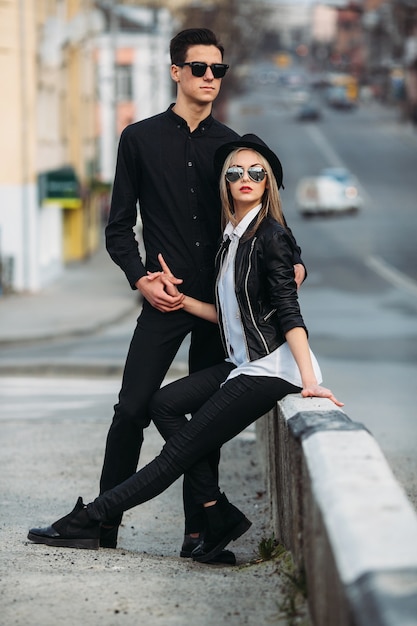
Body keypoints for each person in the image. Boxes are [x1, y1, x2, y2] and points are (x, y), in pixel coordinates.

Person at [28, 134, 342, 564]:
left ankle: (90, 519)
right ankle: (215, 509)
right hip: (242, 363)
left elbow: (290, 313)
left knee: (176, 452)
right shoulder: (231, 239)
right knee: (163, 403)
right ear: (225, 184)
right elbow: (231, 315)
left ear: (267, 183)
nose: (245, 178)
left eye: (256, 173)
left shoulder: (270, 237)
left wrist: (309, 382)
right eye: (236, 172)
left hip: (270, 369)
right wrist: (181, 301)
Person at [96, 26, 306, 561]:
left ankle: (201, 531)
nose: (210, 78)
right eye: (200, 69)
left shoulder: (230, 146)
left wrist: (297, 263)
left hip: (218, 310)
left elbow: (266, 215)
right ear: (176, 72)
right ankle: (101, 525)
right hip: (164, 300)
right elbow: (119, 227)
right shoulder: (139, 138)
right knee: (131, 410)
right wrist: (141, 278)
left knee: (203, 418)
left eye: (219, 70)